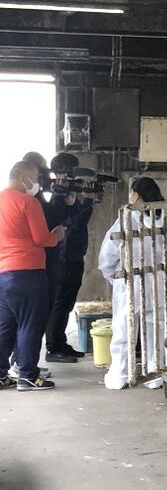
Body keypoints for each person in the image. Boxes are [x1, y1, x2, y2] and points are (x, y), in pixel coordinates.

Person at [98, 177, 167, 390]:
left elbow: (108, 253)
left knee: (124, 328)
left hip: (129, 279)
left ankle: (120, 374)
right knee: (155, 328)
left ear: (136, 195)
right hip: (156, 279)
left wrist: (111, 275)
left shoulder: (127, 217)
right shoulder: (163, 216)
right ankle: (154, 374)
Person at [0, 161, 65, 391]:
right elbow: (42, 238)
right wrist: (57, 234)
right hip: (28, 272)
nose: (37, 183)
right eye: (36, 178)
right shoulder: (28, 202)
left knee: (6, 325)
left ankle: (1, 374)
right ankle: (28, 375)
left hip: (4, 273)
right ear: (23, 177)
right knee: (30, 324)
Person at [21, 151, 76, 363]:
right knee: (33, 317)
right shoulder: (28, 199)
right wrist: (58, 197)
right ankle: (24, 365)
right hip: (33, 263)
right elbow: (46, 229)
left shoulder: (31, 197)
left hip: (39, 261)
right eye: (41, 173)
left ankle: (26, 365)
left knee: (39, 313)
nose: (44, 178)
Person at [45, 152, 93, 360]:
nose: (73, 177)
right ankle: (53, 347)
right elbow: (74, 223)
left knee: (66, 303)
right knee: (60, 302)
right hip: (63, 257)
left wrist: (81, 201)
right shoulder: (57, 199)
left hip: (74, 256)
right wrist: (86, 201)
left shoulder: (69, 197)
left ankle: (60, 343)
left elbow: (79, 220)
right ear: (60, 173)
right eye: (70, 172)